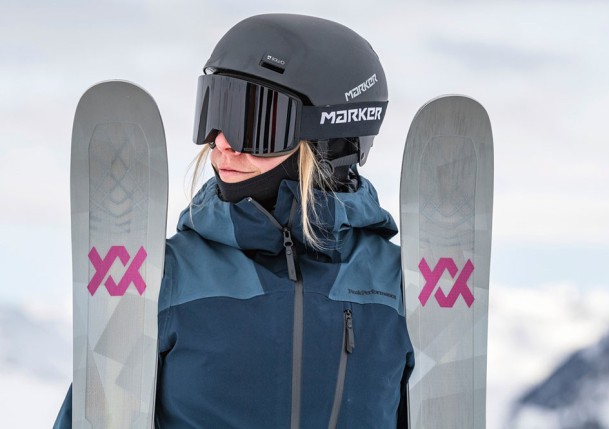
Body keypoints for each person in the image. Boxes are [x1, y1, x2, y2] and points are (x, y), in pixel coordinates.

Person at [54, 13, 414, 428]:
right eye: (216, 110)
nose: (222, 142)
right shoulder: (164, 278)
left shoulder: (399, 288)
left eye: (255, 122)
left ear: (330, 139)